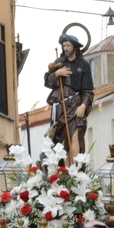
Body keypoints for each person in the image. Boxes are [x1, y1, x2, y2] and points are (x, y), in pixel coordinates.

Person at [44, 33, 94, 162]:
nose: (65, 48)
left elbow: (88, 90)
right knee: (61, 141)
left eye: (68, 45)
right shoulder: (59, 63)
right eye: (63, 45)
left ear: (75, 47)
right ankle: (65, 172)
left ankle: (75, 169)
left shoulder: (83, 65)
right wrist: (57, 73)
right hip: (60, 107)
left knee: (75, 136)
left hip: (75, 105)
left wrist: (83, 105)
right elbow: (47, 81)